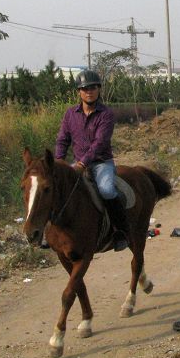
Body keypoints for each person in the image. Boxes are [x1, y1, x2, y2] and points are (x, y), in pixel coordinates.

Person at [54, 70, 129, 252]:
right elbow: (63, 139)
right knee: (56, 189)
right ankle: (51, 234)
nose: (89, 91)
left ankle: (120, 231)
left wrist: (83, 164)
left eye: (93, 87)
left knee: (107, 190)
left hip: (101, 162)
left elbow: (99, 143)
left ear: (99, 90)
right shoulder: (70, 114)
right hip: (78, 162)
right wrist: (58, 162)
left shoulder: (106, 114)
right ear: (79, 91)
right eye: (85, 88)